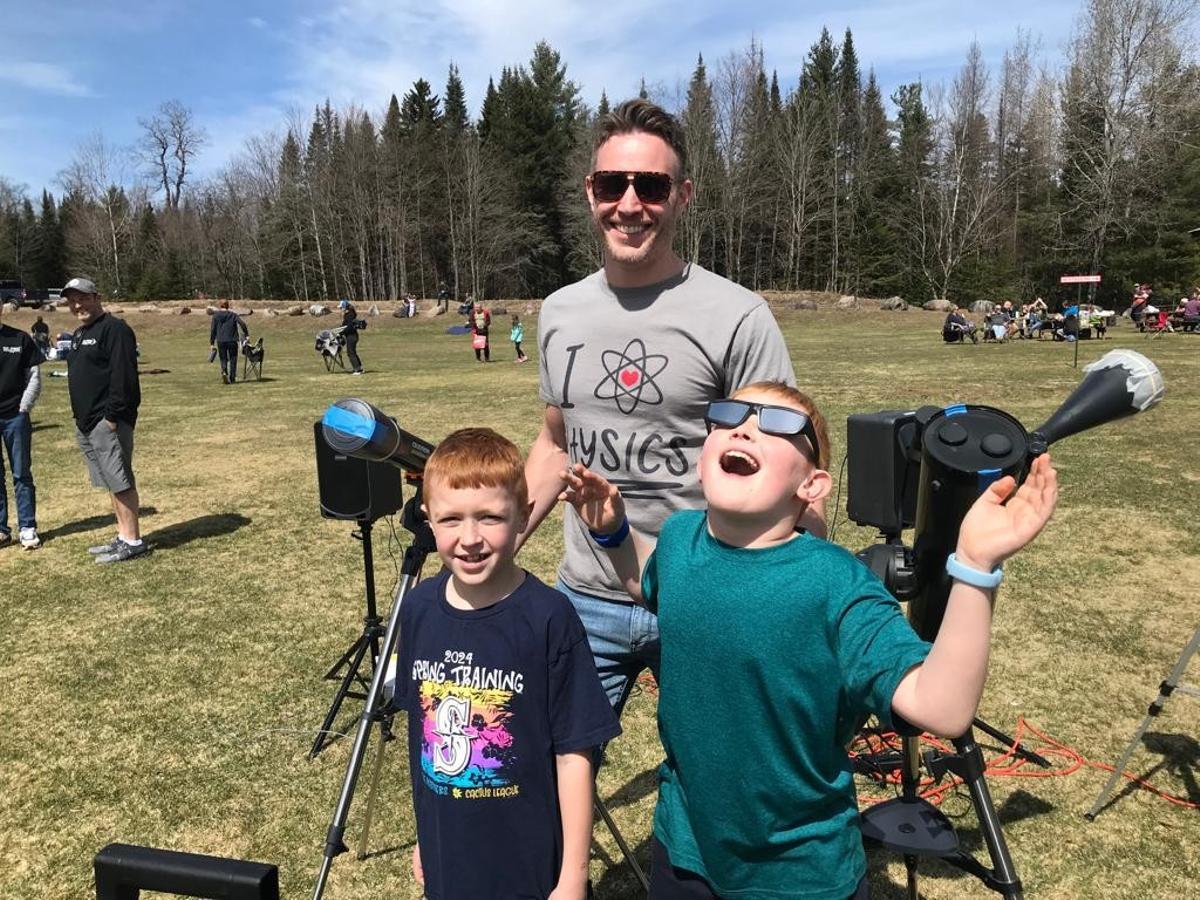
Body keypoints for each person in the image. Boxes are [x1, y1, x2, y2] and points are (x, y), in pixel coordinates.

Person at [560, 381, 1058, 899]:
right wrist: (613, 532)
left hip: (800, 870)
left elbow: (943, 708)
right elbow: (651, 583)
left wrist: (975, 567)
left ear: (813, 485)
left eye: (777, 424)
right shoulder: (682, 537)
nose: (746, 428)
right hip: (685, 848)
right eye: (730, 416)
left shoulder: (836, 585)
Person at [522, 98, 801, 730]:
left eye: (650, 185)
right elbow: (554, 440)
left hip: (700, 594)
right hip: (585, 598)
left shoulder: (737, 316)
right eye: (610, 184)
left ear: (682, 196)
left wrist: (789, 590)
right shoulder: (559, 312)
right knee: (550, 776)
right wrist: (505, 532)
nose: (628, 204)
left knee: (717, 783)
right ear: (589, 191)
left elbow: (785, 463)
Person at [396, 427, 620, 900]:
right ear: (427, 519)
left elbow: (574, 754)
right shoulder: (417, 610)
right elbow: (423, 741)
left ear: (523, 517)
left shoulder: (548, 618)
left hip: (528, 862)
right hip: (448, 856)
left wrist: (574, 877)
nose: (470, 538)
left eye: (491, 517)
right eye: (451, 519)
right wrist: (425, 835)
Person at [63, 277, 147, 564]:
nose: (77, 305)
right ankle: (122, 536)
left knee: (121, 479)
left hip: (108, 422)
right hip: (86, 423)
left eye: (83, 298)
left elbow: (123, 378)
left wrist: (111, 417)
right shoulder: (78, 333)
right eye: (72, 300)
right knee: (111, 480)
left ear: (96, 297)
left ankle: (133, 541)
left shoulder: (115, 329)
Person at [0, 299, 44, 549]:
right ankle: (1, 529)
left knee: (21, 474)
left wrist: (23, 406)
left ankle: (27, 527)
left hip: (15, 416)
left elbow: (34, 376)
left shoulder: (19, 338)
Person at [208, 300, 248, 384]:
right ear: (227, 306)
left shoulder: (216, 316)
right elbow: (242, 324)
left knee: (223, 358)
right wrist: (246, 334)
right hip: (232, 340)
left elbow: (213, 330)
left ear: (220, 306)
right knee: (233, 358)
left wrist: (212, 342)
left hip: (221, 340)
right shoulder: (233, 315)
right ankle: (232, 377)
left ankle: (224, 371)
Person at [338, 299, 363, 375]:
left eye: (341, 307)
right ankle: (359, 368)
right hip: (351, 336)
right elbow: (344, 325)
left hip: (351, 336)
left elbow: (349, 327)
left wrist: (342, 332)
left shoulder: (350, 315)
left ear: (345, 307)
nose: (340, 309)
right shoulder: (348, 314)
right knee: (353, 352)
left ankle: (357, 370)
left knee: (350, 353)